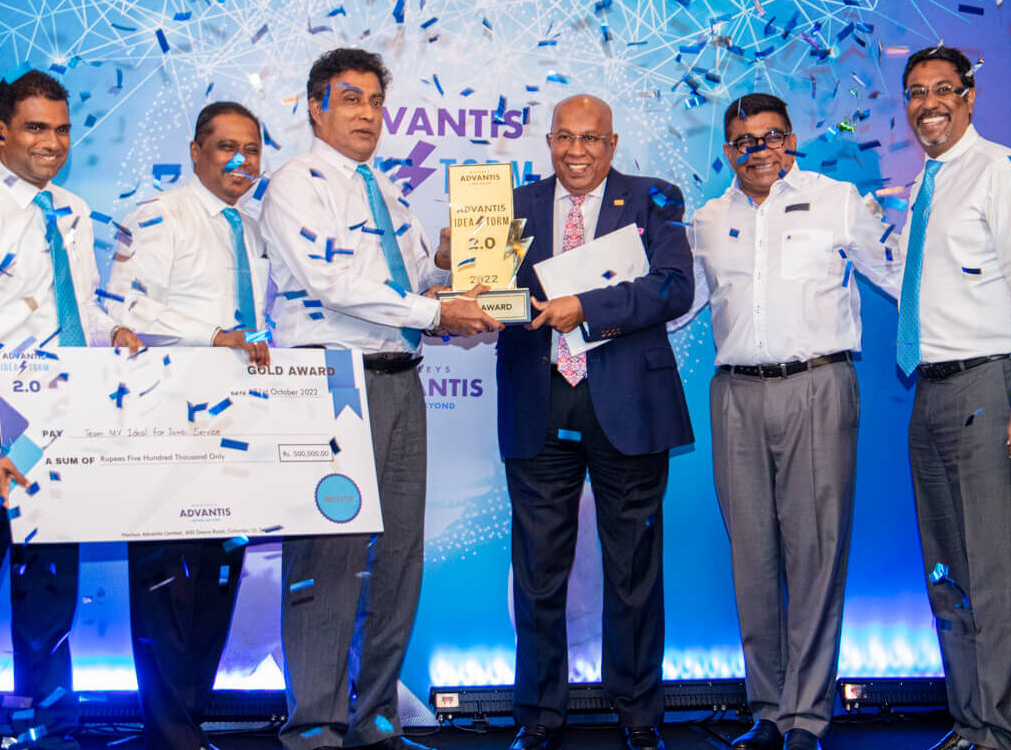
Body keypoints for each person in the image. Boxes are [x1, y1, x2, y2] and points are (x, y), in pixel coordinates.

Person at [259, 47, 501, 750]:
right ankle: (315, 725)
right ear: (316, 106)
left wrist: (453, 262)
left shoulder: (385, 188)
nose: (366, 113)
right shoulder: (296, 186)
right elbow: (334, 285)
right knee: (327, 559)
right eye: (351, 99)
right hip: (329, 382)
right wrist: (435, 313)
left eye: (375, 101)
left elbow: (413, 276)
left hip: (399, 380)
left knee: (397, 557)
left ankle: (375, 720)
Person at [0, 69, 142, 750]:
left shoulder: (72, 212)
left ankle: (53, 726)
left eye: (62, 129)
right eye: (35, 128)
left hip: (57, 406)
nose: (52, 143)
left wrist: (115, 333)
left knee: (51, 586)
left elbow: (73, 307)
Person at [686, 93, 899, 750]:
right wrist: (588, 303)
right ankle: (768, 711)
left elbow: (900, 275)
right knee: (752, 559)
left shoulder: (838, 201)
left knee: (814, 556)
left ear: (792, 140)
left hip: (816, 387)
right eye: (744, 140)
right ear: (728, 151)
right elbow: (670, 307)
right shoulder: (706, 219)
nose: (759, 150)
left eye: (771, 136)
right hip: (736, 396)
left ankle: (807, 717)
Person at [497, 94, 694, 750]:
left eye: (590, 139)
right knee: (538, 571)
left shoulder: (654, 197)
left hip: (628, 406)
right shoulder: (511, 204)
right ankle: (538, 716)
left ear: (611, 144)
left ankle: (639, 714)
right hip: (540, 401)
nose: (576, 152)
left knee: (634, 569)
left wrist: (586, 305)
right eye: (564, 138)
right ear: (548, 141)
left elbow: (674, 287)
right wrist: (457, 267)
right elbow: (490, 297)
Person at [894, 46, 1011, 750]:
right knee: (946, 572)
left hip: (991, 389)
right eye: (916, 92)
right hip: (929, 394)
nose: (928, 103)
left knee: (992, 571)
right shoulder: (923, 187)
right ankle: (969, 722)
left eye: (942, 90)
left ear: (968, 97)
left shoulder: (1004, 173)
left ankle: (1000, 727)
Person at [103, 100, 271, 750]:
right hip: (166, 424)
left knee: (219, 579)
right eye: (226, 146)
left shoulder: (254, 231)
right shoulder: (156, 217)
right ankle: (168, 733)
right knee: (166, 583)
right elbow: (122, 306)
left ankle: (188, 724)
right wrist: (213, 337)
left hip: (238, 430)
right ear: (197, 150)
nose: (241, 161)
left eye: (252, 149)